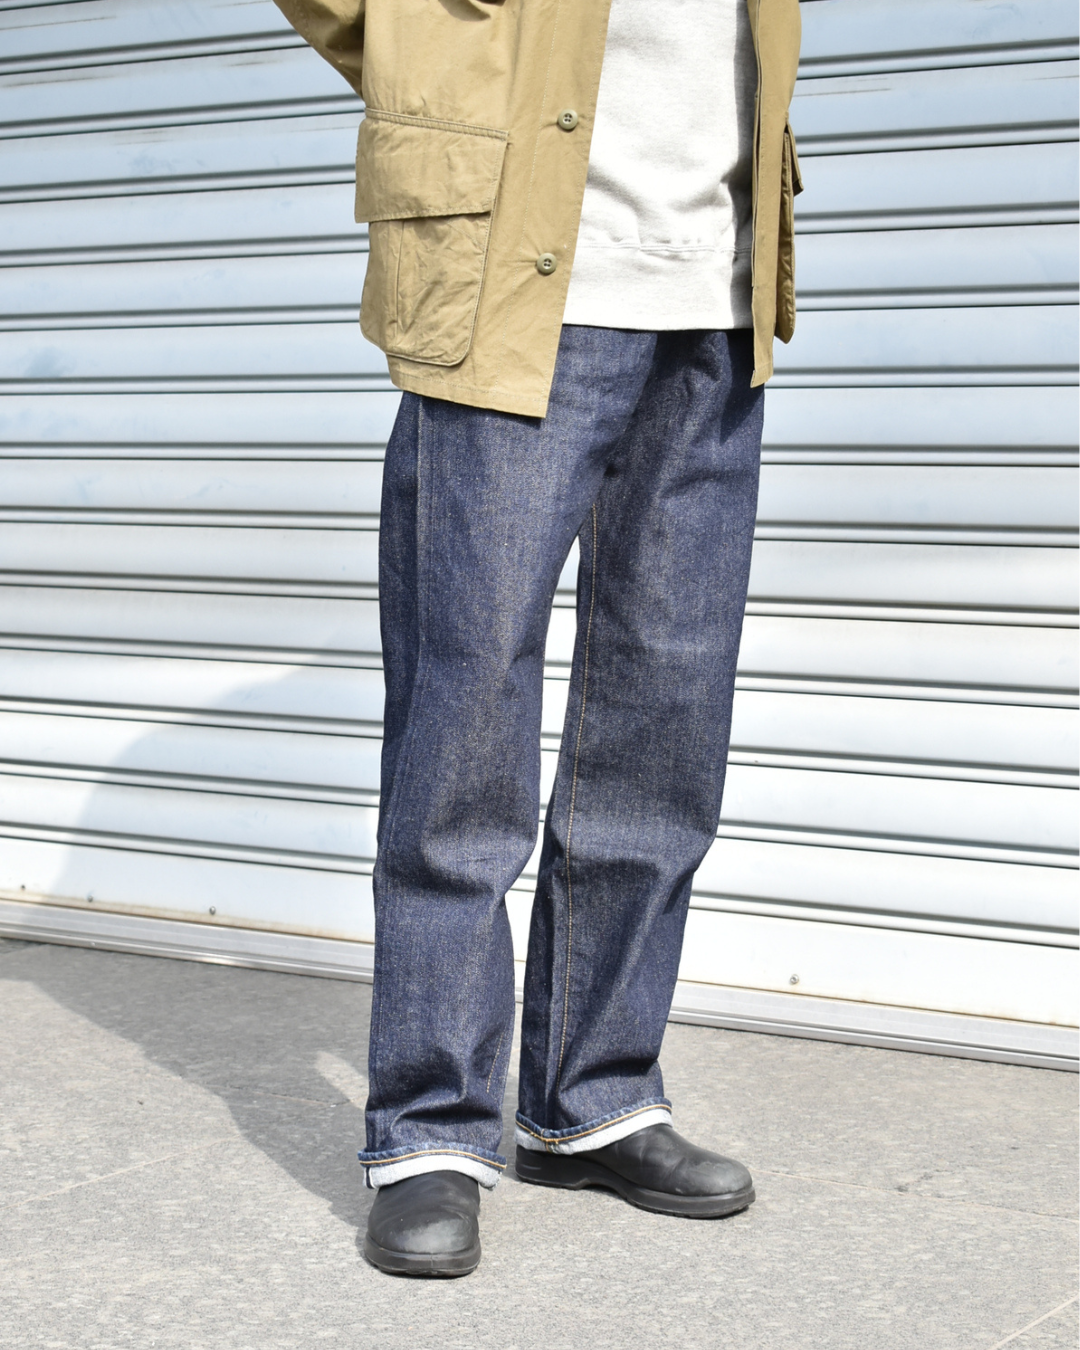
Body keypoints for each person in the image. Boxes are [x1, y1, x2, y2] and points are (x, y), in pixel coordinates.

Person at [274, 0, 802, 1277]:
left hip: (716, 297)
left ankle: (592, 1098)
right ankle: (429, 1129)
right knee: (464, 727)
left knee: (664, 725)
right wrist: (435, 70)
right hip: (513, 285)